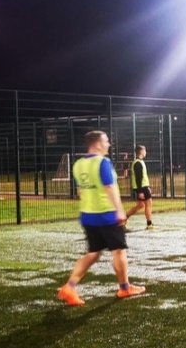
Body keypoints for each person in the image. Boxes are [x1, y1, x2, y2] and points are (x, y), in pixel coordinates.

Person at [56, 131, 146, 306]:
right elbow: (109, 188)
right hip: (107, 215)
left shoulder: (79, 164)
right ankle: (124, 288)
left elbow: (81, 191)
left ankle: (69, 286)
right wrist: (120, 211)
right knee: (119, 250)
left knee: (93, 253)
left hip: (88, 216)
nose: (108, 144)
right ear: (97, 144)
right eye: (105, 141)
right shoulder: (103, 163)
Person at [125, 145, 154, 229]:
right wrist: (140, 191)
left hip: (143, 187)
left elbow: (142, 177)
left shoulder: (140, 162)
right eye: (145, 150)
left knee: (140, 205)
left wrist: (147, 186)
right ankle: (149, 224)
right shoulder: (138, 163)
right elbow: (138, 178)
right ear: (141, 151)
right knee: (148, 203)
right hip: (142, 187)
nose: (146, 152)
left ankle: (124, 218)